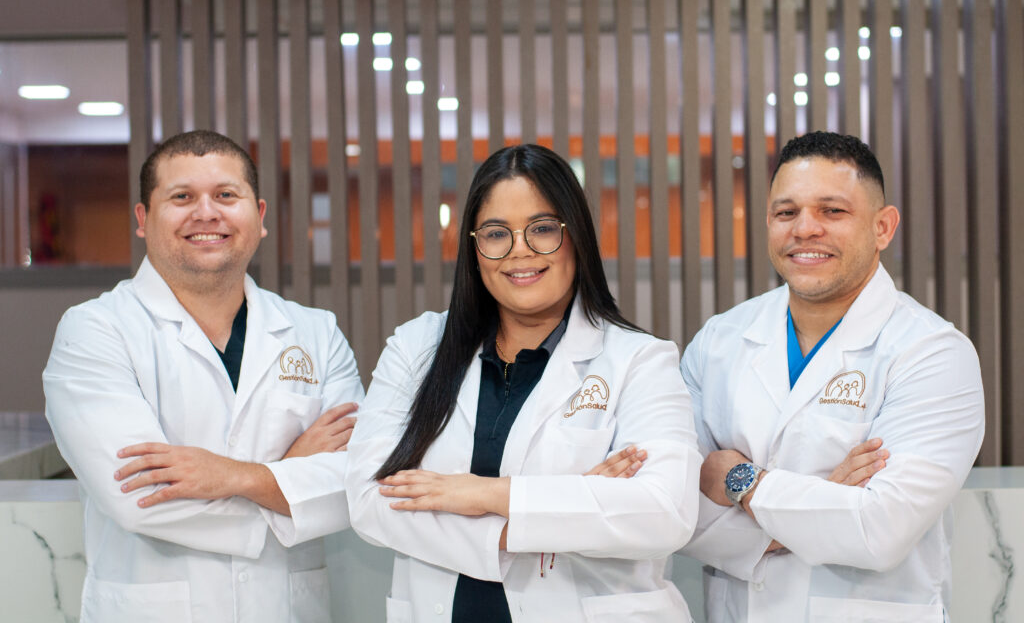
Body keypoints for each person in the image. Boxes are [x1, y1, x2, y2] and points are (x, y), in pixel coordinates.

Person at [345, 144, 701, 622]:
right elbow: (370, 500)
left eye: (542, 228)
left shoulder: (639, 360)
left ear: (576, 236)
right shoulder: (416, 348)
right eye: (496, 233)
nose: (520, 250)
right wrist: (561, 507)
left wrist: (481, 494)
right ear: (474, 248)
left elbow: (662, 513)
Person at [43, 130, 363, 623]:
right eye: (182, 197)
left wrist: (233, 476)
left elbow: (354, 485)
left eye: (226, 195)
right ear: (143, 219)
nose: (207, 213)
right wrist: (289, 480)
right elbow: (141, 498)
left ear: (259, 217)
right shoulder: (94, 331)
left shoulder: (316, 333)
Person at [679, 131, 984, 622]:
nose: (805, 229)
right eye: (786, 212)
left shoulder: (932, 353)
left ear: (882, 227)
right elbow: (674, 508)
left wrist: (741, 481)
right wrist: (822, 504)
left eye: (832, 211)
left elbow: (879, 531)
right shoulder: (719, 340)